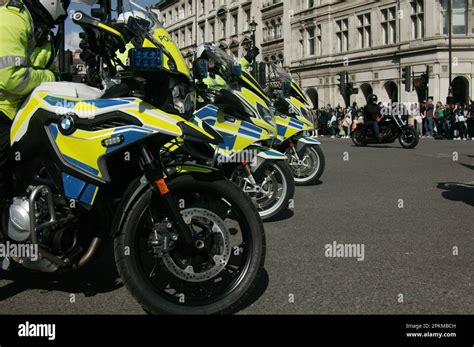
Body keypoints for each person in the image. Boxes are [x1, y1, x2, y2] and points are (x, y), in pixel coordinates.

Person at [0, 0, 72, 206]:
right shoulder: (13, 19)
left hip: (18, 109)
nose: (64, 9)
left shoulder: (33, 24)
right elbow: (10, 77)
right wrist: (51, 78)